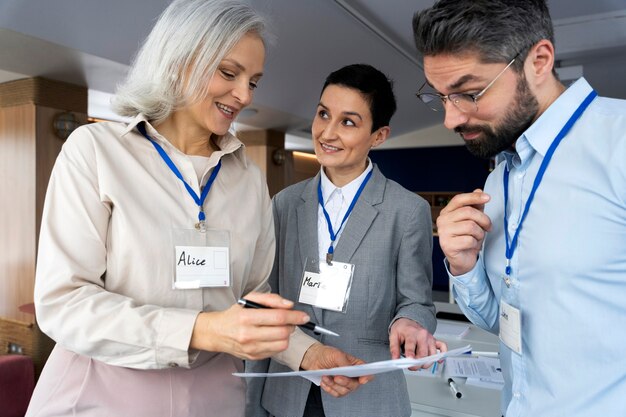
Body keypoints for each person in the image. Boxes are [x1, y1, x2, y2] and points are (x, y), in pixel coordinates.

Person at [26, 1, 368, 416]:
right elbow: (65, 302)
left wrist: (309, 354)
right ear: (178, 60)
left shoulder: (247, 179)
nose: (244, 95)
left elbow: (252, 299)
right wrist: (203, 330)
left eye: (254, 82)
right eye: (228, 73)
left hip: (212, 400)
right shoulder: (95, 152)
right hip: (101, 396)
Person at [413, 1, 626, 416]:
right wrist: (463, 266)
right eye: (440, 97)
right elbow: (503, 322)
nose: (450, 119)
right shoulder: (500, 177)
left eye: (468, 93)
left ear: (539, 61)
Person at [246, 63, 445, 417]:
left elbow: (416, 302)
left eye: (348, 122)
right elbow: (267, 300)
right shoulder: (285, 203)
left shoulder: (407, 209)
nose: (327, 132)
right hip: (287, 391)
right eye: (323, 114)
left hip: (366, 395)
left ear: (379, 136)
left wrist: (410, 323)